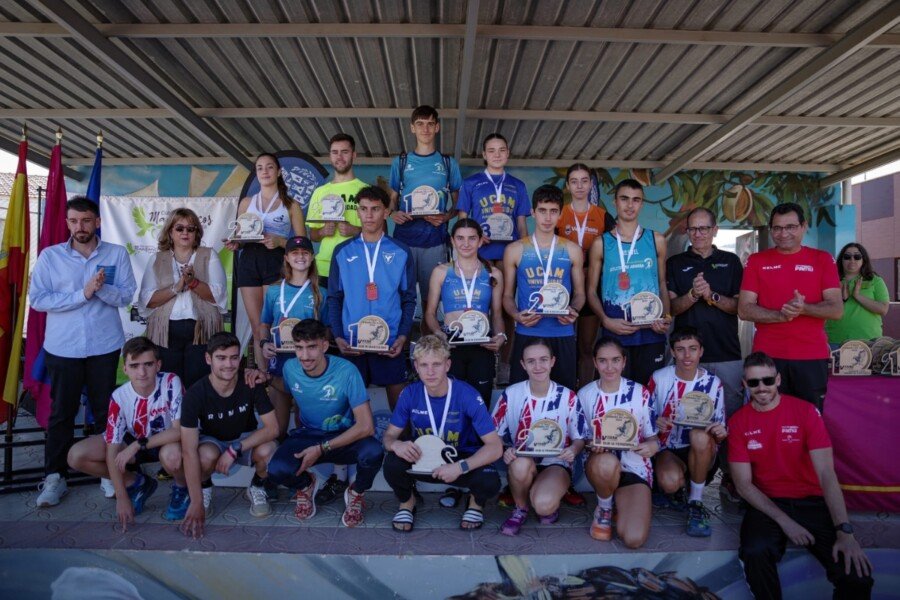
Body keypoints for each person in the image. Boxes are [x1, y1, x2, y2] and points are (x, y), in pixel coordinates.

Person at [729, 352, 873, 599]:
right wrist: (785, 521)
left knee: (857, 578)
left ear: (778, 380)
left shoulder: (805, 412)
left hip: (812, 502)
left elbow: (826, 474)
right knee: (755, 551)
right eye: (753, 382)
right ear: (745, 384)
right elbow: (743, 485)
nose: (761, 387)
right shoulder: (739, 422)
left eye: (767, 380)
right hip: (768, 504)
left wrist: (845, 531)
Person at [30, 197, 137, 507]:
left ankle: (108, 472)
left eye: (86, 220)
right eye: (74, 221)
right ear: (67, 223)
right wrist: (83, 293)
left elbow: (127, 296)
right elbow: (38, 300)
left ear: (97, 222)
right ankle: (55, 477)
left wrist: (102, 289)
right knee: (61, 413)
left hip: (104, 346)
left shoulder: (115, 254)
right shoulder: (51, 257)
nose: (80, 227)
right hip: (63, 347)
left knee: (106, 412)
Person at [266, 319, 384, 527]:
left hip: (343, 437)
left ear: (324, 345)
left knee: (373, 451)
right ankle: (306, 485)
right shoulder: (290, 367)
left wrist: (321, 448)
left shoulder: (346, 370)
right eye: (299, 348)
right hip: (308, 435)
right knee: (276, 469)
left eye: (311, 347)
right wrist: (265, 378)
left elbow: (366, 426)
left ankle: (356, 493)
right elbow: (287, 386)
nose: (304, 355)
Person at [382, 335, 502, 532]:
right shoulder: (410, 393)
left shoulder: (467, 394)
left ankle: (475, 504)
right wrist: (396, 444)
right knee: (392, 462)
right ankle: (407, 502)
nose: (430, 372)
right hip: (422, 458)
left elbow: (495, 447)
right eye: (424, 365)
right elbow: (388, 437)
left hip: (459, 459)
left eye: (436, 364)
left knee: (489, 480)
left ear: (447, 365)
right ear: (416, 367)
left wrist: (461, 467)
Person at [665, 207, 743, 500]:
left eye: (703, 228)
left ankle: (730, 478)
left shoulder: (731, 262)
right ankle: (685, 479)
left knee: (729, 422)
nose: (698, 234)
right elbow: (671, 308)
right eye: (693, 229)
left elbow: (740, 307)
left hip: (726, 354)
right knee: (685, 420)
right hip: (686, 359)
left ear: (715, 230)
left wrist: (711, 296)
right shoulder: (675, 263)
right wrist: (693, 295)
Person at [67, 337, 185, 528]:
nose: (142, 372)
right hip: (134, 443)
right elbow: (112, 449)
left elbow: (179, 431)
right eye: (134, 365)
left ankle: (182, 487)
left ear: (158, 365)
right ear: (125, 369)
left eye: (148, 364)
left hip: (164, 442)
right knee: (76, 456)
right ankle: (136, 483)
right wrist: (121, 496)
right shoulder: (119, 396)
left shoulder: (171, 381)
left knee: (172, 456)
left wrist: (137, 445)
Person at [738, 203, 842, 410]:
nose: (783, 233)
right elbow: (744, 309)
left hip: (811, 355)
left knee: (810, 416)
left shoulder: (822, 259)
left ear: (804, 226)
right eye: (777, 228)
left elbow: (836, 309)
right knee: (767, 416)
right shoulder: (756, 261)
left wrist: (804, 309)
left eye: (791, 227)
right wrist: (780, 315)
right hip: (767, 357)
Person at [179, 332, 279, 538]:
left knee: (270, 450)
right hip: (213, 442)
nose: (228, 364)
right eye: (221, 358)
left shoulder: (250, 381)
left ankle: (257, 486)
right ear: (208, 359)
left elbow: (273, 429)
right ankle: (204, 489)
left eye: (234, 358)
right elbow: (188, 451)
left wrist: (235, 449)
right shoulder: (195, 394)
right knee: (202, 455)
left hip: (243, 440)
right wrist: (195, 501)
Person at [328, 186, 416, 409]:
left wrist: (403, 336)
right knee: (349, 409)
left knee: (400, 409)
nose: (368, 215)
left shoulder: (401, 251)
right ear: (357, 211)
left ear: (386, 212)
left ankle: (401, 434)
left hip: (389, 341)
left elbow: (408, 298)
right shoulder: (342, 251)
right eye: (364, 209)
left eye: (375, 209)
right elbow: (334, 297)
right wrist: (338, 336)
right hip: (352, 342)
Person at [492, 339, 587, 536]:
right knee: (520, 464)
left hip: (556, 463)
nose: (538, 366)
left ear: (552, 361)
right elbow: (494, 434)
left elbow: (580, 438)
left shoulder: (568, 396)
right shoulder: (511, 394)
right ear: (523, 364)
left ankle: (547, 493)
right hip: (524, 461)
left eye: (543, 360)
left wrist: (573, 449)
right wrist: (505, 450)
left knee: (544, 507)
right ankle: (520, 507)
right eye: (531, 361)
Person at [457, 133, 530, 384]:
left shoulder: (517, 185)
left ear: (507, 153)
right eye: (491, 150)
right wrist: (475, 236)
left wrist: (526, 252)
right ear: (484, 155)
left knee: (507, 309)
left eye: (501, 150)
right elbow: (463, 220)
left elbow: (521, 223)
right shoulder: (471, 183)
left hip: (509, 254)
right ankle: (480, 361)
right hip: (481, 254)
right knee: (479, 306)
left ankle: (504, 364)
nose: (497, 154)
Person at [587, 179, 671, 386]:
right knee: (616, 393)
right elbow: (591, 291)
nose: (630, 205)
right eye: (624, 199)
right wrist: (605, 320)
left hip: (651, 332)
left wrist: (666, 318)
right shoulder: (601, 243)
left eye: (636, 200)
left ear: (642, 204)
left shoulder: (656, 240)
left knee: (649, 393)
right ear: (615, 202)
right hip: (616, 333)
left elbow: (662, 284)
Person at [228, 153, 306, 372]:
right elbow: (240, 235)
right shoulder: (246, 203)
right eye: (260, 168)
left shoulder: (290, 204)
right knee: (256, 328)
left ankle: (281, 375)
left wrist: (281, 241)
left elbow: (302, 243)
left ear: (278, 172)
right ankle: (264, 379)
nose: (265, 171)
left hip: (275, 261)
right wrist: (235, 243)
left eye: (269, 167)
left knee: (273, 325)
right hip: (249, 261)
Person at [578, 337, 659, 547]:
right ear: (595, 363)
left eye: (615, 360)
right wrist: (591, 443)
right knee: (606, 462)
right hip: (601, 468)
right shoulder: (585, 395)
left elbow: (653, 438)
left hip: (634, 468)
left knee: (633, 539)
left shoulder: (641, 393)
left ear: (624, 362)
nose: (609, 367)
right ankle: (605, 507)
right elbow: (580, 439)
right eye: (602, 361)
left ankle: (620, 505)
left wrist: (652, 446)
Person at [502, 185, 584, 391]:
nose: (547, 218)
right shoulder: (515, 250)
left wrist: (574, 310)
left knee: (564, 393)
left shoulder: (572, 250)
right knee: (522, 393)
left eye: (553, 211)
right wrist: (516, 315)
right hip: (528, 331)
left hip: (562, 332)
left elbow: (580, 294)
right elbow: (507, 296)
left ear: (561, 214)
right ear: (533, 212)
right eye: (542, 211)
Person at [648, 327, 726, 537]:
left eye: (692, 348)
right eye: (680, 349)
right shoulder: (659, 378)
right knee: (670, 482)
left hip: (702, 449)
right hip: (669, 448)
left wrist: (720, 432)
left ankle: (696, 501)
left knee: (699, 435)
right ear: (672, 352)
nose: (687, 355)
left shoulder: (713, 383)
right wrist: (656, 421)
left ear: (701, 351)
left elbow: (719, 428)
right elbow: (645, 417)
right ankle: (679, 488)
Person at [388, 105, 463, 323]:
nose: (425, 129)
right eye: (420, 124)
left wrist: (446, 217)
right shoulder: (401, 162)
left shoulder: (448, 163)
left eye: (430, 124)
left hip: (434, 241)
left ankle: (429, 343)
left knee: (431, 301)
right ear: (412, 128)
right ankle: (403, 343)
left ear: (437, 127)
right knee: (402, 297)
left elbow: (459, 204)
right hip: (404, 240)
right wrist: (393, 213)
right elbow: (392, 199)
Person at [138, 208, 227, 389]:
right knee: (169, 385)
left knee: (198, 385)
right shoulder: (157, 258)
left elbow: (217, 296)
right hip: (166, 331)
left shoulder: (209, 255)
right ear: (170, 232)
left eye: (190, 229)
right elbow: (148, 300)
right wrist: (176, 288)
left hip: (201, 330)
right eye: (179, 228)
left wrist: (193, 283)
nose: (185, 232)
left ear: (196, 233)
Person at [252, 235, 328, 437]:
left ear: (312, 257)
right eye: (295, 253)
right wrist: (265, 342)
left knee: (306, 426)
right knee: (278, 428)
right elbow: (264, 324)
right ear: (286, 258)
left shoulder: (320, 292)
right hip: (280, 359)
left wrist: (318, 344)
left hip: (308, 360)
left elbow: (327, 329)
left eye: (305, 253)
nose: (300, 257)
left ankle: (303, 454)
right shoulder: (274, 291)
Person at [425, 218, 507, 403]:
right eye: (460, 238)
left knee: (480, 402)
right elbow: (429, 313)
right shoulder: (441, 272)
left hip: (481, 343)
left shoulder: (494, 274)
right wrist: (438, 333)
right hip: (451, 343)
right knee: (452, 403)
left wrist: (501, 335)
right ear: (452, 241)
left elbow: (497, 314)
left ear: (480, 241)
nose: (466, 243)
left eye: (472, 238)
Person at [556, 164, 615, 387]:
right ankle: (565, 392)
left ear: (591, 184)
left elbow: (612, 254)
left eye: (584, 181)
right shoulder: (559, 214)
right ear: (568, 185)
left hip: (592, 287)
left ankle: (584, 393)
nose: (579, 186)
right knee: (562, 345)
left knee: (586, 347)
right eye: (574, 181)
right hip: (563, 288)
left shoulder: (603, 216)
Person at [306, 133, 366, 287]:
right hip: (325, 267)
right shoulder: (320, 192)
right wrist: (322, 231)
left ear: (354, 155)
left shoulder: (366, 190)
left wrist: (356, 230)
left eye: (344, 152)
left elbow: (381, 231)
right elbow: (313, 235)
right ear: (330, 156)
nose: (339, 157)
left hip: (358, 265)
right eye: (335, 152)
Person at [826, 242, 890, 345]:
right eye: (847, 257)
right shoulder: (830, 280)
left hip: (869, 341)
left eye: (857, 257)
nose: (852, 260)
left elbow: (883, 309)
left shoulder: (875, 280)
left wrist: (857, 296)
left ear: (863, 259)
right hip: (836, 340)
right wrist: (842, 300)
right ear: (841, 260)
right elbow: (823, 309)